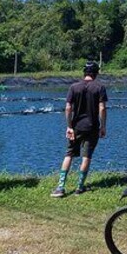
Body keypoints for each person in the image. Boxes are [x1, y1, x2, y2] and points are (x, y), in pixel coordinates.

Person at [51, 61, 108, 197]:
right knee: (86, 156)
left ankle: (60, 187)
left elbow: (68, 108)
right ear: (96, 73)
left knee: (69, 154)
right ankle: (79, 187)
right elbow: (102, 108)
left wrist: (69, 126)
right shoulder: (100, 87)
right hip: (92, 127)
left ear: (84, 73)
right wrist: (103, 126)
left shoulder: (74, 87)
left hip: (76, 127)